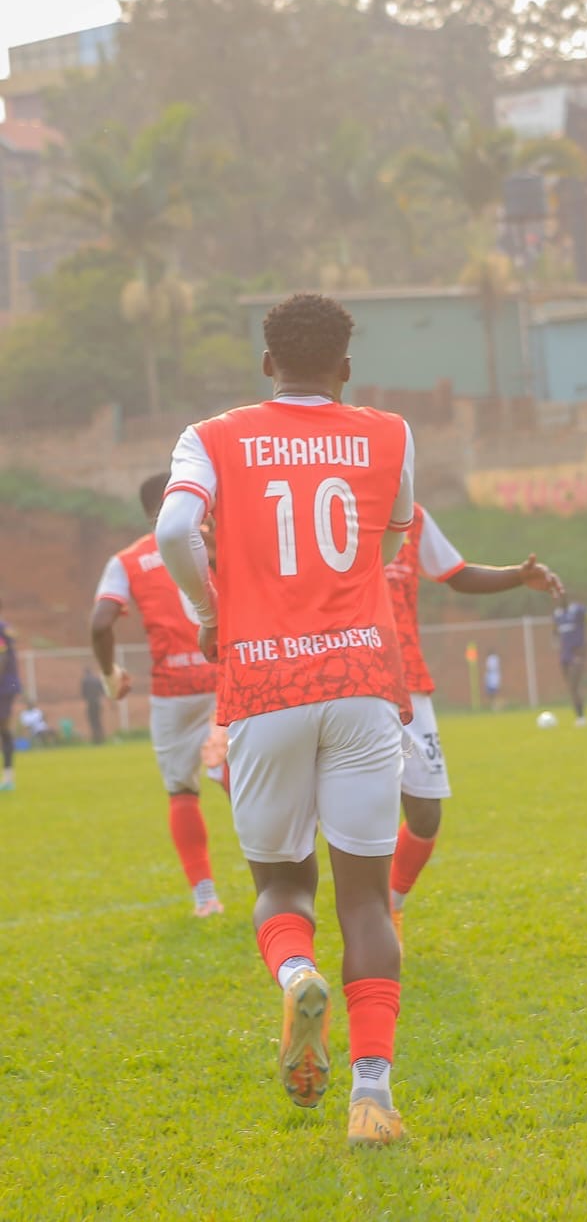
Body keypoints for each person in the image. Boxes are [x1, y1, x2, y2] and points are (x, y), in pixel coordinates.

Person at [157, 292, 416, 1146]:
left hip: (263, 685)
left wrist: (210, 609)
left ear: (267, 364)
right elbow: (390, 539)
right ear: (346, 368)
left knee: (281, 885)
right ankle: (371, 1098)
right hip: (361, 679)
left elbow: (171, 532)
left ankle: (296, 973)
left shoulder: (214, 435)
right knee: (367, 901)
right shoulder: (389, 432)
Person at [384, 504, 561, 951]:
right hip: (337, 681)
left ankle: (391, 903)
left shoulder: (410, 516)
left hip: (404, 682)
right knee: (349, 810)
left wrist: (518, 576)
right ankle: (337, 934)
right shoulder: (315, 498)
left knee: (425, 813)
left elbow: (456, 572)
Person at [91, 473, 226, 917]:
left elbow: (100, 623)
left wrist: (111, 675)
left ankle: (205, 896)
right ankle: (279, 875)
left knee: (180, 792)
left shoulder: (126, 560)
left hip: (173, 691)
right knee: (244, 777)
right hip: (226, 675)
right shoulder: (211, 543)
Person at [552, 595, 587, 725]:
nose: (558, 599)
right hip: (564, 656)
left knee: (573, 686)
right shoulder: (557, 614)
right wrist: (556, 643)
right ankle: (579, 716)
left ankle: (581, 718)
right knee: (572, 688)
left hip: (577, 655)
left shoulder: (579, 610)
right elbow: (554, 632)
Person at [0, 601, 19, 790]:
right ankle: (7, 777)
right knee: (4, 730)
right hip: (7, 685)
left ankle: (8, 778)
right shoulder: (5, 627)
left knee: (4, 729)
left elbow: (2, 657)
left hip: (3, 686)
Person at [81, 666, 107, 744]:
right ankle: (101, 737)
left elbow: (83, 694)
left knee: (92, 721)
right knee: (98, 720)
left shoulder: (85, 680)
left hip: (91, 703)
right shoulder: (96, 679)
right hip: (98, 702)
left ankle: (96, 739)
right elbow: (103, 691)